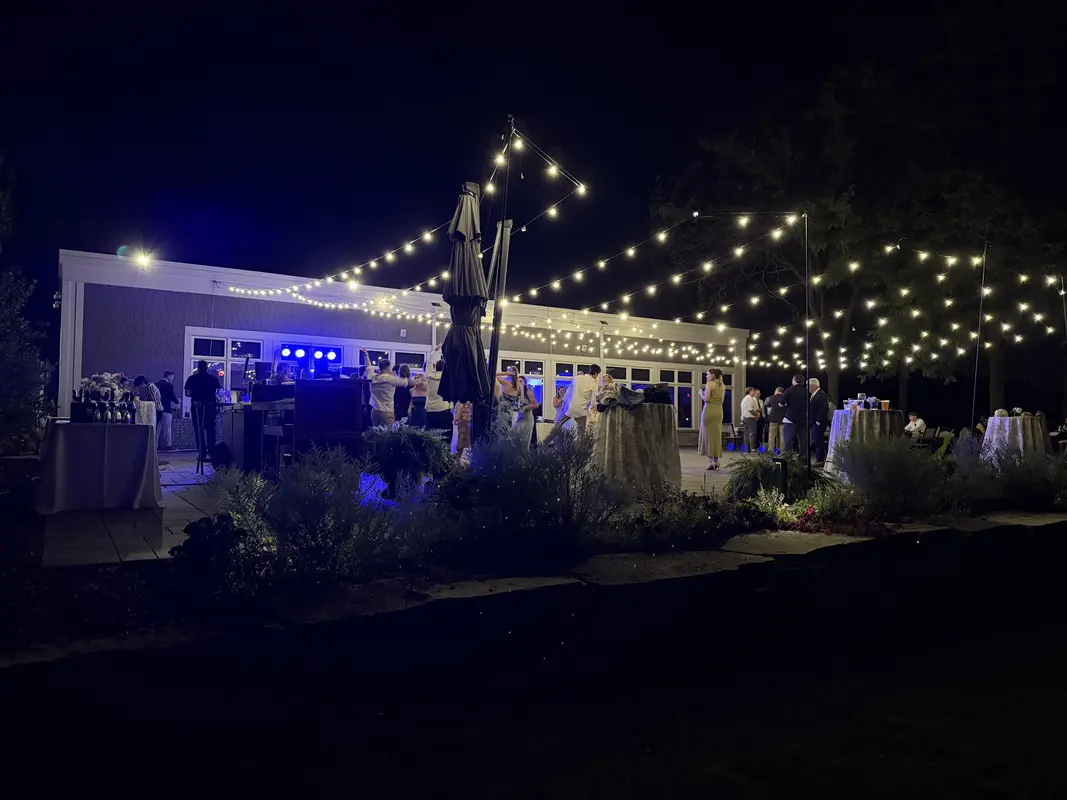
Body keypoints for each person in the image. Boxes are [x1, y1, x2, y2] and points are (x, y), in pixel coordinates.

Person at [544, 364, 601, 444]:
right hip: (581, 410)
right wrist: (591, 408)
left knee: (557, 425)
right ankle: (580, 451)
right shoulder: (594, 385)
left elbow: (568, 392)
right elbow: (593, 400)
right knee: (581, 433)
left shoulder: (577, 378)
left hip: (570, 407)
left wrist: (564, 404)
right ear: (596, 373)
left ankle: (545, 443)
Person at [364, 350, 414, 428]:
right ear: (388, 367)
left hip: (375, 411)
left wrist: (366, 356)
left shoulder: (373, 377)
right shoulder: (391, 379)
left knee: (376, 434)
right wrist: (418, 381)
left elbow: (369, 368)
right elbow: (406, 382)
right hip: (387, 412)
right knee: (388, 437)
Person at [184, 360, 221, 462]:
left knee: (198, 430)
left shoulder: (192, 378)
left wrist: (195, 394)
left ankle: (202, 453)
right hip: (210, 406)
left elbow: (187, 393)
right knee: (211, 430)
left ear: (198, 367)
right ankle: (212, 453)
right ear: (207, 367)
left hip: (196, 406)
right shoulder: (213, 379)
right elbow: (218, 393)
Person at [697, 368, 725, 470]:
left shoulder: (710, 384)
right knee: (716, 436)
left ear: (713, 375)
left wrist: (701, 393)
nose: (706, 376)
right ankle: (717, 461)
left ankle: (710, 462)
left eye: (707, 374)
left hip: (709, 411)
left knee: (707, 435)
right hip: (718, 412)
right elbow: (722, 400)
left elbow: (707, 399)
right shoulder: (722, 385)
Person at [781, 374, 809, 457]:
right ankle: (803, 460)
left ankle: (788, 458)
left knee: (789, 440)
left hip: (790, 419)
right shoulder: (806, 391)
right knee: (803, 441)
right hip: (803, 419)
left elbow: (781, 403)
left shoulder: (789, 390)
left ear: (794, 381)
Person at [424, 357, 452, 432]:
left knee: (430, 435)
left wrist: (433, 353)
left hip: (430, 410)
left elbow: (428, 364)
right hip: (444, 409)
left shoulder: (429, 377)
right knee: (445, 434)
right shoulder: (448, 378)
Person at [493, 367, 521, 440]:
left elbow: (493, 375)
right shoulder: (518, 385)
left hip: (503, 409)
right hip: (510, 411)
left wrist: (505, 373)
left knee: (500, 430)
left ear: (511, 373)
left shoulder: (507, 383)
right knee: (507, 429)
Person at [512, 376, 540, 449]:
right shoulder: (516, 393)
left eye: (521, 381)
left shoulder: (527, 391)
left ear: (524, 383)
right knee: (513, 435)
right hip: (519, 418)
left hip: (527, 419)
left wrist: (526, 407)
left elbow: (536, 405)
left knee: (524, 442)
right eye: (518, 381)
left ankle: (524, 458)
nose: (520, 383)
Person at [155, 370, 179, 451]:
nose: (172, 379)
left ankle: (155, 444)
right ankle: (168, 445)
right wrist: (177, 402)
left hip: (157, 409)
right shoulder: (169, 385)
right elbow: (172, 396)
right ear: (168, 376)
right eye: (172, 377)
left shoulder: (156, 384)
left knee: (157, 427)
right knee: (167, 428)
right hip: (166, 408)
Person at [809, 378, 829, 462]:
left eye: (809, 385)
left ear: (813, 386)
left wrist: (818, 421)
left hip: (818, 422)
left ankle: (820, 459)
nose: (808, 388)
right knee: (816, 440)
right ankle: (819, 457)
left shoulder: (821, 395)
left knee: (819, 440)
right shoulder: (815, 394)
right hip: (814, 421)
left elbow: (823, 408)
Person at [763, 386, 785, 454]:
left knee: (772, 436)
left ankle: (770, 451)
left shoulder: (770, 398)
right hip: (783, 420)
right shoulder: (784, 398)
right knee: (782, 436)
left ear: (776, 391)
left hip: (773, 419)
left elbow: (767, 407)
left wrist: (767, 417)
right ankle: (782, 451)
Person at [739, 387, 760, 453]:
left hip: (744, 418)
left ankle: (747, 449)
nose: (754, 392)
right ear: (750, 392)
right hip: (750, 418)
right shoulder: (750, 399)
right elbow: (750, 409)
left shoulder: (744, 399)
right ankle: (753, 449)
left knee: (746, 434)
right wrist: (756, 414)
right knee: (752, 433)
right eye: (753, 391)